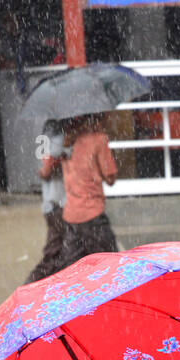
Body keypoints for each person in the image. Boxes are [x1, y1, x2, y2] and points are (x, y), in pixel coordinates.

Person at [58, 113, 119, 266]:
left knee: (73, 270)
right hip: (93, 215)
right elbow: (110, 176)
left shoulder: (65, 142)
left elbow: (47, 168)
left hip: (71, 216)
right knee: (111, 266)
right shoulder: (98, 139)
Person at [24, 120, 70, 285]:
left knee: (64, 252)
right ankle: (31, 287)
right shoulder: (59, 138)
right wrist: (59, 160)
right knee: (54, 253)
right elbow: (45, 171)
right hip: (59, 203)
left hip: (54, 203)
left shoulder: (45, 137)